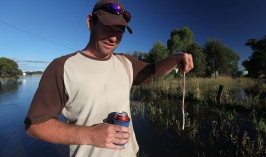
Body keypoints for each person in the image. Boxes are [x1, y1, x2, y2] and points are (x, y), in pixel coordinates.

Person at [24, 0, 194, 156]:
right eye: (107, 28)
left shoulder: (127, 62)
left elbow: (155, 70)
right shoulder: (62, 67)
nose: (113, 38)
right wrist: (90, 135)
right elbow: (35, 125)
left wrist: (175, 57)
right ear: (90, 22)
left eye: (119, 32)